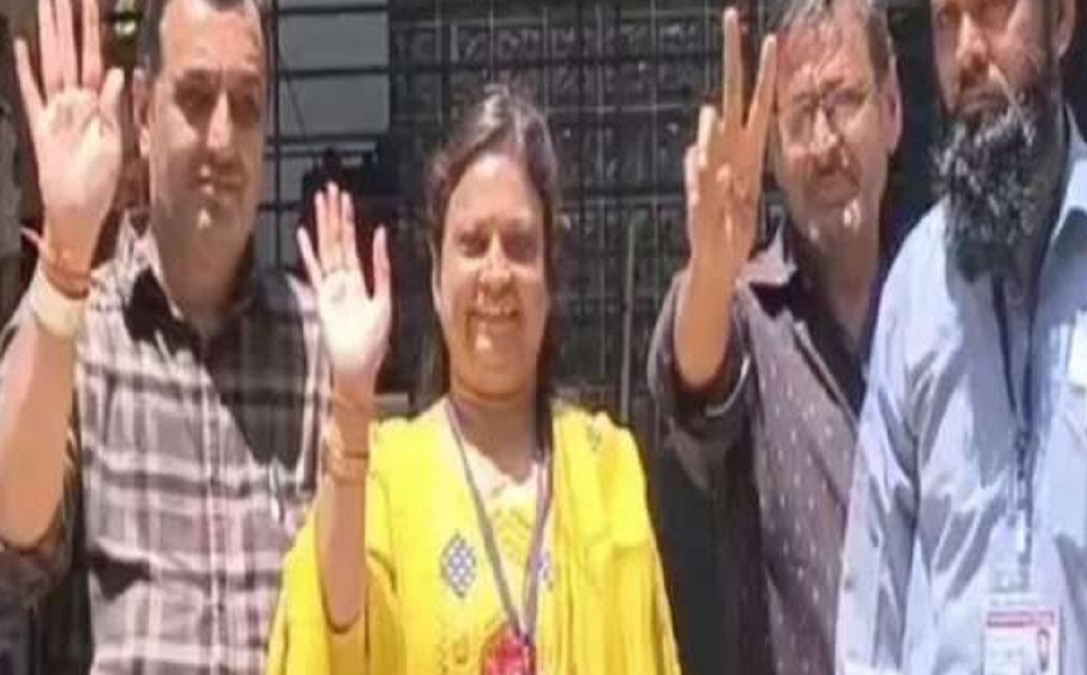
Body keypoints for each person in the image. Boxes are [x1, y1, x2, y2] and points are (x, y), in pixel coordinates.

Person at [836, 0, 1087, 671]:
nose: (967, 51)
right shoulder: (917, 284)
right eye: (946, 21)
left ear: (1062, 23)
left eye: (992, 11)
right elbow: (872, 609)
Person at [266, 86, 681, 674]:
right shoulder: (386, 475)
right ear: (437, 277)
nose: (496, 272)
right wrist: (352, 397)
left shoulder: (605, 471)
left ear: (550, 277)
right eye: (472, 243)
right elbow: (332, 633)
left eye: (520, 245)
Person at [0, 0, 328, 671]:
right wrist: (65, 254)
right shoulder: (77, 332)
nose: (222, 140)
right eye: (196, 98)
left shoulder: (317, 347)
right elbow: (13, 532)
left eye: (246, 105)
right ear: (144, 116)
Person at [646, 1, 901, 672]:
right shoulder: (749, 316)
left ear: (893, 109)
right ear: (774, 158)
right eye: (800, 115)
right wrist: (710, 269)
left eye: (844, 101)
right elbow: (694, 382)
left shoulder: (946, 308)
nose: (824, 143)